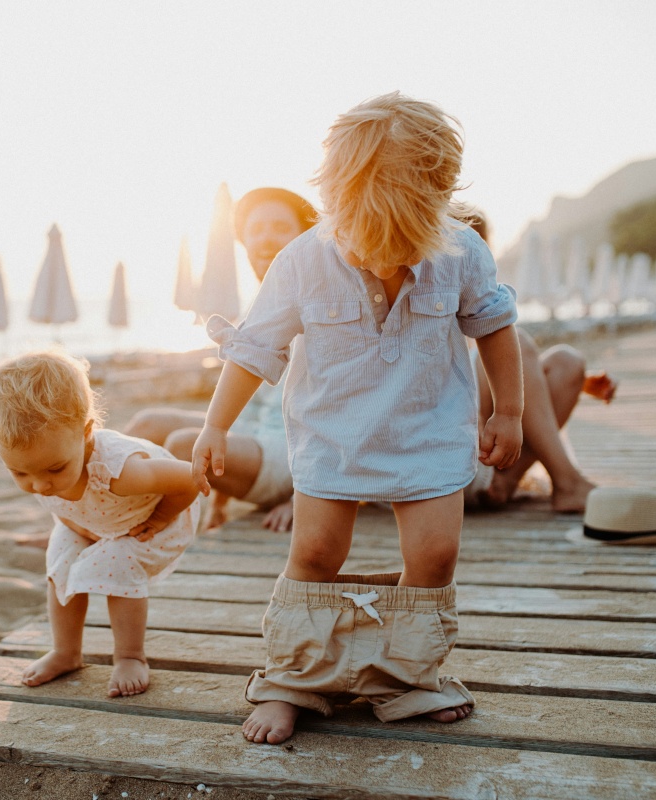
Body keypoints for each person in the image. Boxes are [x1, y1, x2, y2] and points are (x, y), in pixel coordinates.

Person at [191, 92, 524, 743]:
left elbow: (496, 327)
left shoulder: (461, 251)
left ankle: (406, 678)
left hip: (428, 434)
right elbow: (254, 349)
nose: (386, 261)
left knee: (434, 556)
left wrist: (508, 411)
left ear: (437, 205)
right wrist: (214, 425)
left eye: (405, 246)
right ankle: (295, 678)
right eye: (371, 244)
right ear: (337, 205)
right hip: (332, 438)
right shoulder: (303, 260)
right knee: (316, 553)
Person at [0, 350, 203, 699]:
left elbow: (191, 479)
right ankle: (66, 652)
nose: (39, 485)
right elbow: (61, 496)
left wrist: (161, 518)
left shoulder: (122, 472)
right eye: (20, 473)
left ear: (85, 433)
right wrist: (74, 520)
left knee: (118, 561)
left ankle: (130, 655)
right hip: (93, 519)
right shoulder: (43, 461)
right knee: (60, 563)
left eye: (55, 469)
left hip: (154, 517)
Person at [125, 187, 317, 532]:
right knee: (145, 423)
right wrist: (220, 500)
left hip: (291, 455)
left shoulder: (319, 299)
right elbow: (246, 404)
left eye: (279, 227)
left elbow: (343, 411)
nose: (266, 238)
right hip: (250, 436)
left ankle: (124, 531)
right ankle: (88, 521)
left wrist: (303, 499)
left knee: (182, 445)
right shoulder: (259, 302)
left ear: (305, 236)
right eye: (255, 230)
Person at [461, 211, 617, 513]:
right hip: (444, 455)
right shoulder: (424, 288)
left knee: (567, 363)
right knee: (516, 341)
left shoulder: (475, 299)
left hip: (489, 455)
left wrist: (582, 385)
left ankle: (505, 484)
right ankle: (568, 481)